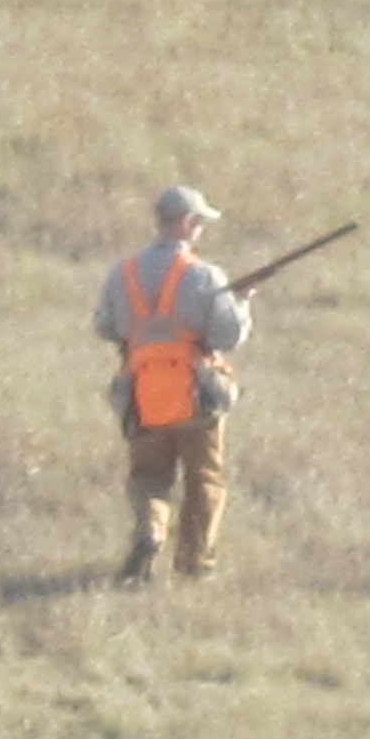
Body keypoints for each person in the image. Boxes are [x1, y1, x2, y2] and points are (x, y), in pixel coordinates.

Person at [95, 183, 250, 582]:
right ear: (186, 222)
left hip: (143, 394)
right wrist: (241, 301)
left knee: (149, 476)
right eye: (199, 223)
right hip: (198, 396)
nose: (200, 230)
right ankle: (195, 566)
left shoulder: (122, 273)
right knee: (204, 480)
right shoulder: (204, 275)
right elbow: (227, 336)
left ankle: (151, 530)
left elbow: (105, 326)